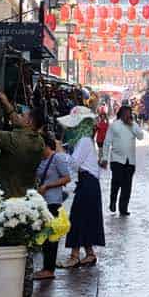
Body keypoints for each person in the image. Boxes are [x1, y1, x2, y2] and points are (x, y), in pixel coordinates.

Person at [56, 107, 103, 267]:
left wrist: (60, 151)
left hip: (88, 182)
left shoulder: (84, 141)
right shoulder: (85, 140)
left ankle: (75, 256)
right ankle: (88, 253)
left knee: (77, 217)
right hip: (88, 182)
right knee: (84, 218)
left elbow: (74, 163)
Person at [33, 133, 72, 280]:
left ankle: (49, 269)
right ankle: (46, 268)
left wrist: (48, 185)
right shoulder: (41, 160)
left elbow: (67, 178)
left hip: (53, 202)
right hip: (42, 203)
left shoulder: (57, 158)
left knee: (51, 237)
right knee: (44, 236)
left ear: (46, 145)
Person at [102, 104, 144, 215]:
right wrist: (105, 158)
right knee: (116, 183)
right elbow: (107, 142)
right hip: (117, 160)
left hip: (130, 160)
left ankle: (123, 208)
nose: (128, 115)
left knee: (127, 185)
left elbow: (140, 136)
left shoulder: (133, 125)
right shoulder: (114, 125)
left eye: (129, 113)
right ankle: (113, 201)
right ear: (121, 114)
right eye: (126, 113)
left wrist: (132, 125)